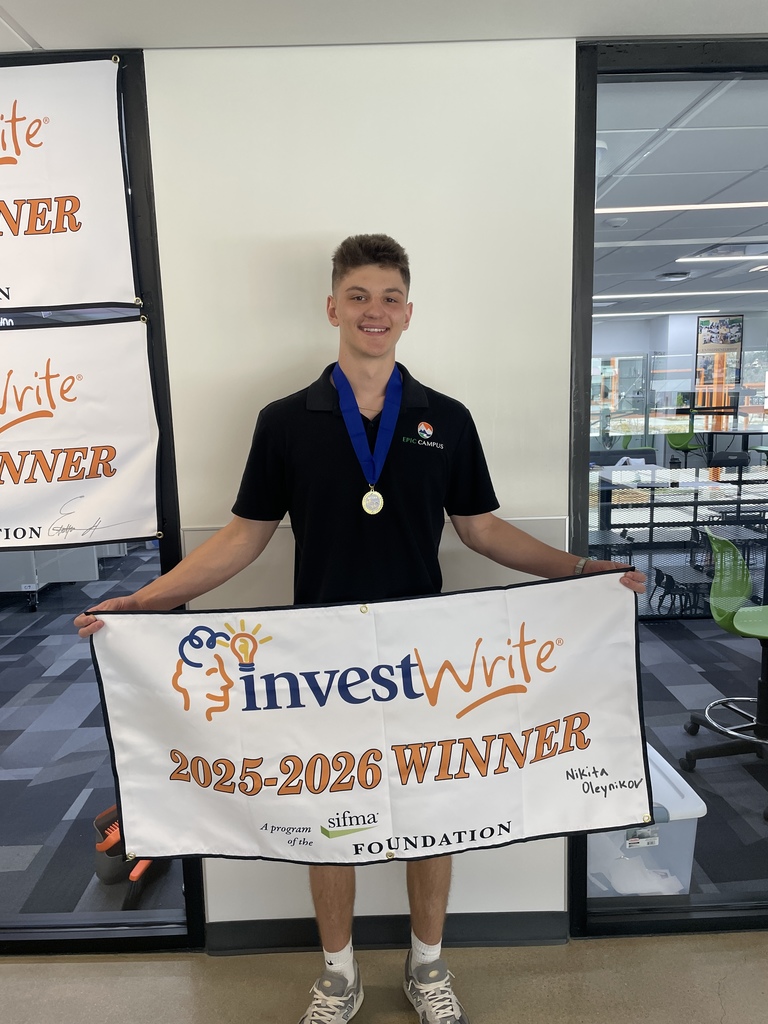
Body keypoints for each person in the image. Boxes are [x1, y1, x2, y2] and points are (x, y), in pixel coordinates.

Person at [76, 234, 645, 1024]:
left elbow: (482, 530)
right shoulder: (284, 421)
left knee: (431, 812)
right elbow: (243, 538)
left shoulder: (445, 418)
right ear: (332, 307)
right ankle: (339, 975)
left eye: (388, 299)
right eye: (359, 297)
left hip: (426, 658)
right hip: (320, 660)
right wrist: (142, 603)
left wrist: (580, 571)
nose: (373, 312)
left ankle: (428, 967)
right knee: (328, 820)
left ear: (408, 313)